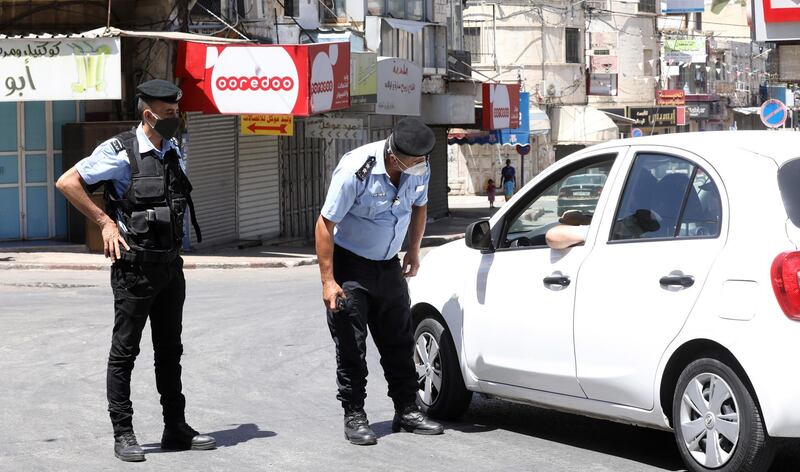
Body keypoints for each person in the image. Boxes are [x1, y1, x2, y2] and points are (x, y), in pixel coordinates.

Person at [55, 79, 215, 462]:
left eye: (178, 112)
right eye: (171, 113)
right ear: (149, 115)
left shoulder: (172, 149)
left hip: (170, 269)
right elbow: (68, 182)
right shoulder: (120, 150)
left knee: (170, 352)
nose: (177, 118)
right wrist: (104, 222)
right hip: (135, 270)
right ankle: (123, 433)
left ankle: (175, 426)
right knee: (125, 352)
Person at [315, 117, 444, 446]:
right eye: (415, 161)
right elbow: (325, 224)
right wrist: (328, 280)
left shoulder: (419, 167)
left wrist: (414, 251)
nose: (421, 166)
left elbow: (420, 206)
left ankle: (407, 409)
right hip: (350, 268)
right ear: (394, 156)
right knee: (351, 347)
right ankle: (354, 414)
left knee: (399, 342)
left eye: (423, 160)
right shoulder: (356, 170)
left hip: (388, 266)